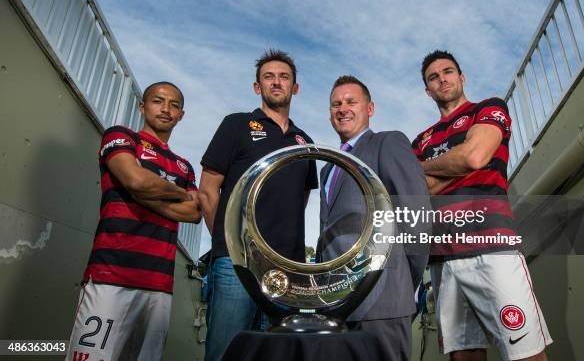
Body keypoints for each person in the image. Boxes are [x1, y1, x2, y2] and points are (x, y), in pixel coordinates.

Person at [412, 50, 552, 361]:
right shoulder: (421, 140)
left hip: (492, 247)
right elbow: (422, 191)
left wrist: (432, 166)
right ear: (427, 89)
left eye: (448, 71)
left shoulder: (488, 108)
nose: (442, 79)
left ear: (461, 77)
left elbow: (475, 155)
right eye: (433, 77)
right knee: (464, 356)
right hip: (443, 257)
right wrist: (459, 163)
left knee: (525, 352)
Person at [65, 82, 201, 361]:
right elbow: (136, 180)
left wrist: (144, 192)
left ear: (181, 115)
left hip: (159, 286)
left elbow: (194, 213)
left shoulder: (184, 165)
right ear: (142, 106)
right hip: (110, 277)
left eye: (174, 105)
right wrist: (172, 193)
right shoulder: (121, 136)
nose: (165, 109)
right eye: (158, 101)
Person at [198, 49, 318, 361]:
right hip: (237, 264)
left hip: (286, 269)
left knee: (276, 354)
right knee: (227, 352)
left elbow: (298, 201)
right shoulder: (236, 125)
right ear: (257, 87)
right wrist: (229, 242)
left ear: (295, 87)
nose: (276, 82)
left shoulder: (305, 141)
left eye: (284, 77)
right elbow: (208, 190)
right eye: (269, 77)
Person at [318, 75, 430, 361]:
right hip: (336, 305)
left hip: (383, 299)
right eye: (336, 104)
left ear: (370, 108)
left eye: (351, 101)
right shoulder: (327, 170)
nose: (342, 108)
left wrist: (404, 279)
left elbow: (415, 213)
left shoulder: (388, 143)